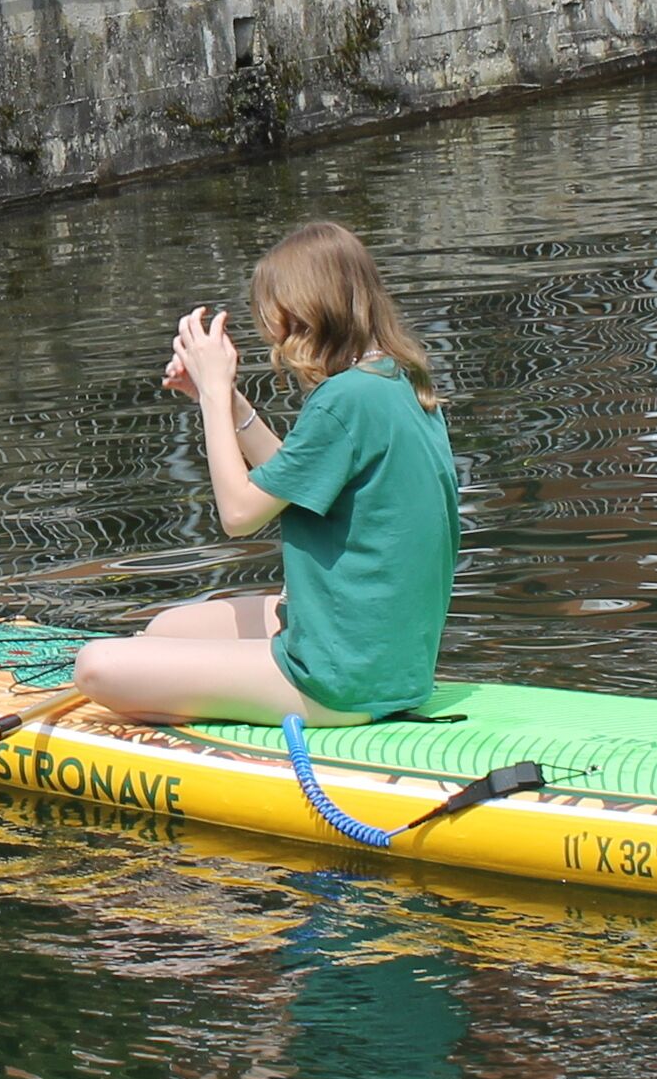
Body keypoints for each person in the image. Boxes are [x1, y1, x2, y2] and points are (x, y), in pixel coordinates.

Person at [69, 221, 461, 728]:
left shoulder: (343, 399)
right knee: (168, 627)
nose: (275, 339)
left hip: (339, 680)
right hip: (394, 665)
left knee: (96, 667)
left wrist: (213, 394)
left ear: (305, 314)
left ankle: (229, 725)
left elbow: (238, 514)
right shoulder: (398, 380)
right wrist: (230, 403)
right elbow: (294, 482)